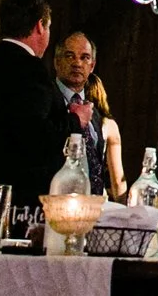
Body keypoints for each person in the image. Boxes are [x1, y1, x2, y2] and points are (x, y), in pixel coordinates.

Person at [0, 0, 68, 204]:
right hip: (18, 201)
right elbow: (36, 137)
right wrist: (75, 120)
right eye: (48, 27)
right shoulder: (31, 71)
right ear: (40, 26)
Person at [49, 29, 121, 196]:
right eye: (70, 56)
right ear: (57, 62)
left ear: (92, 66)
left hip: (92, 205)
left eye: (85, 57)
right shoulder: (46, 100)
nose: (77, 63)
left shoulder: (94, 114)